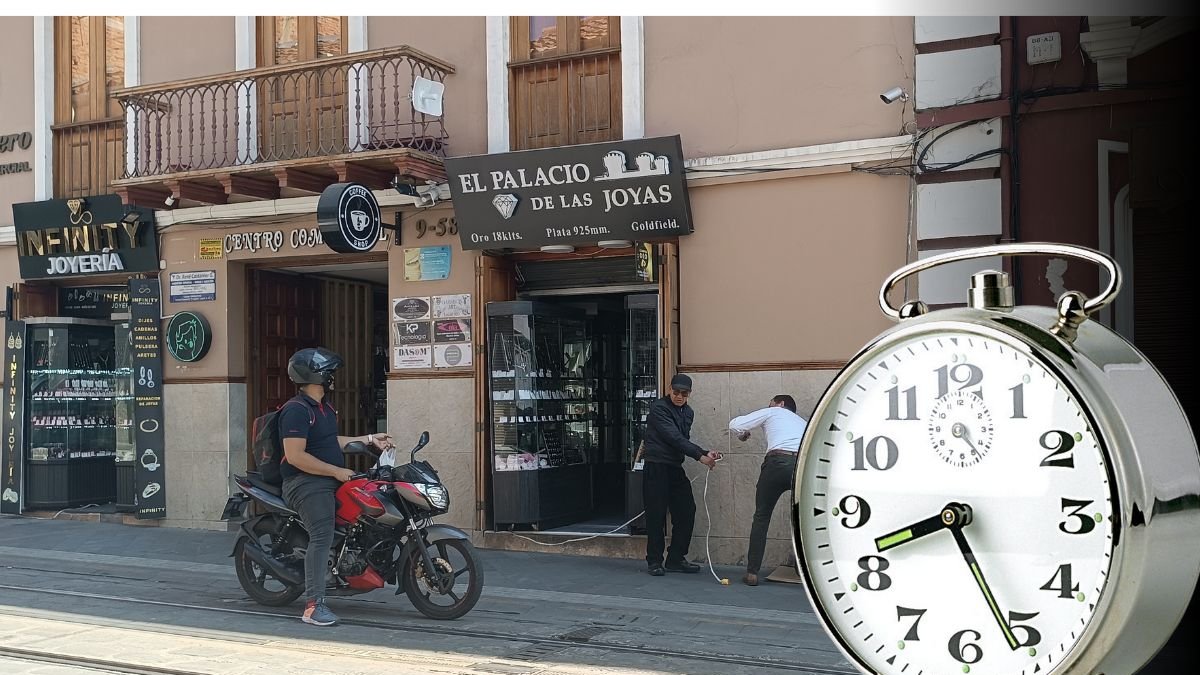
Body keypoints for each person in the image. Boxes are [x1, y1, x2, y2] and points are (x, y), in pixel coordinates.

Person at [279, 347, 393, 626]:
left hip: (329, 477)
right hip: (305, 482)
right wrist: (337, 471)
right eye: (330, 373)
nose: (334, 378)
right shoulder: (295, 411)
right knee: (322, 534)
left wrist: (368, 439)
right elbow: (296, 456)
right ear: (316, 375)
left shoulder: (325, 408)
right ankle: (313, 606)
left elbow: (330, 442)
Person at [641, 373, 721, 577]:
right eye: (675, 392)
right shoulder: (659, 408)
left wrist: (704, 453)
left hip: (674, 466)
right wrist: (699, 456)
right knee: (656, 515)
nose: (678, 396)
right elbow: (673, 437)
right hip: (656, 465)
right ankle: (655, 561)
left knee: (686, 511)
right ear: (669, 389)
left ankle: (675, 558)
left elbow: (682, 440)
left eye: (683, 394)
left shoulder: (688, 413)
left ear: (689, 394)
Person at [729, 394, 808, 586]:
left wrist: (742, 432)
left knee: (762, 516)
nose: (769, 405)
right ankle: (803, 570)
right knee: (802, 520)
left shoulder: (774, 411)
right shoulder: (803, 422)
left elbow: (735, 424)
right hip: (801, 466)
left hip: (776, 463)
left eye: (771, 403)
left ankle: (752, 572)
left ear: (780, 404)